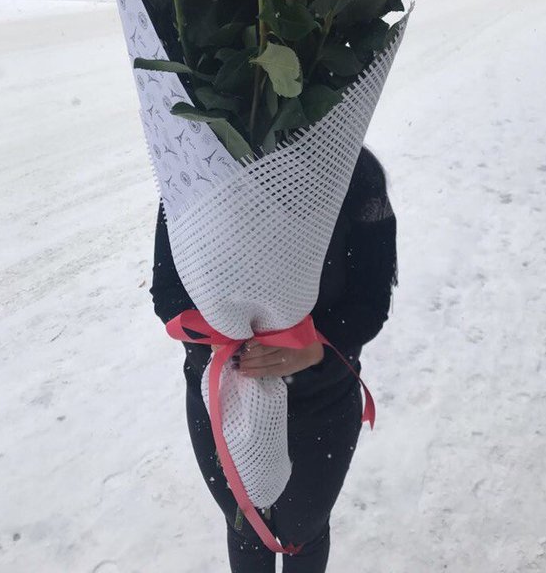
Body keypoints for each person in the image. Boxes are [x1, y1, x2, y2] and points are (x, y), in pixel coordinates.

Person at [150, 147, 398, 573]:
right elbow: (168, 293)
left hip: (320, 405)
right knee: (246, 530)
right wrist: (218, 335)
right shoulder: (195, 167)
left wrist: (315, 346)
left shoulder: (355, 173)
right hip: (222, 404)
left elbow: (370, 302)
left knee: (303, 533)